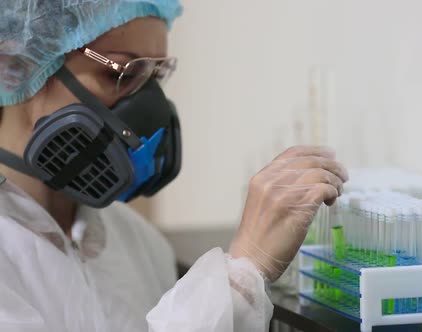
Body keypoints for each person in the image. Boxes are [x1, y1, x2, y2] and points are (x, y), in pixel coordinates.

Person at [0, 1, 348, 331]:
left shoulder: (140, 244)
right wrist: (244, 272)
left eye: (155, 74)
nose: (150, 108)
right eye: (122, 73)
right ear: (16, 65)